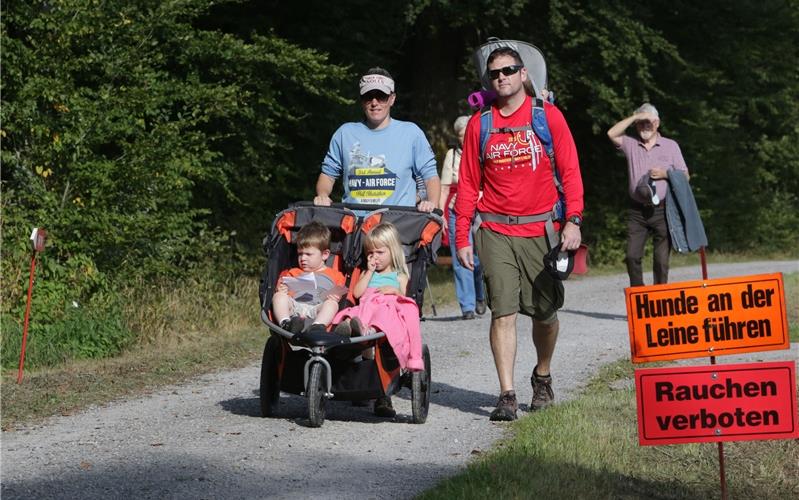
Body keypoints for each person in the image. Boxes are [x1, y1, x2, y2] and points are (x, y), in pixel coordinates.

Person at [455, 47, 584, 421]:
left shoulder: (548, 117)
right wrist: (462, 235)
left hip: (543, 229)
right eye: (494, 73)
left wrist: (573, 220)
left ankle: (542, 375)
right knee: (503, 312)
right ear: (489, 80)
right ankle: (506, 394)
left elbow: (571, 172)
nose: (502, 77)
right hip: (495, 228)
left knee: (545, 314)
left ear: (524, 74)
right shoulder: (480, 124)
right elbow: (467, 184)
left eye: (509, 70)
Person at [314, 67, 440, 212]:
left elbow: (430, 177)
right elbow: (328, 175)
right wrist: (322, 195)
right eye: (368, 96)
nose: (374, 102)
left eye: (381, 96)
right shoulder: (344, 133)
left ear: (392, 99)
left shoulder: (411, 133)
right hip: (355, 226)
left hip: (398, 225)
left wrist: (432, 204)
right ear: (362, 101)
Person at [332, 222, 423, 418]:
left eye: (380, 252)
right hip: (366, 306)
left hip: (386, 308)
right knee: (353, 313)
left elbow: (404, 296)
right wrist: (369, 272)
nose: (374, 257)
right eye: (370, 253)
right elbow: (356, 292)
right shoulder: (367, 273)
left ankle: (368, 331)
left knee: (383, 313)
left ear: (393, 251)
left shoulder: (399, 274)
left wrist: (395, 291)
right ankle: (351, 328)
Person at [607, 103, 689, 287]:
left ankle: (659, 301)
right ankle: (640, 298)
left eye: (648, 123)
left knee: (661, 262)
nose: (644, 126)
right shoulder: (630, 144)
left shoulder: (670, 146)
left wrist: (665, 174)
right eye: (640, 123)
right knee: (632, 256)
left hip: (663, 210)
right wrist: (635, 116)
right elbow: (611, 133)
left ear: (657, 123)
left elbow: (685, 176)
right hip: (637, 212)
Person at [438, 115, 486, 320]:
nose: (463, 138)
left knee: (480, 258)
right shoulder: (452, 155)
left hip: (483, 211)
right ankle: (467, 306)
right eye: (460, 135)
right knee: (461, 258)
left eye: (466, 134)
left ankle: (480, 293)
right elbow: (444, 187)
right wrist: (440, 214)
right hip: (457, 210)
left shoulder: (484, 150)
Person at [271, 221, 346, 335]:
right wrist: (282, 290)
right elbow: (283, 292)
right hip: (295, 308)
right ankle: (285, 323)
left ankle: (317, 327)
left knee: (332, 304)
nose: (303, 258)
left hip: (317, 308)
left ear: (325, 255)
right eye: (300, 254)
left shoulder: (335, 275)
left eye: (308, 254)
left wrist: (336, 297)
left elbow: (341, 293)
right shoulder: (293, 272)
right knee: (278, 297)